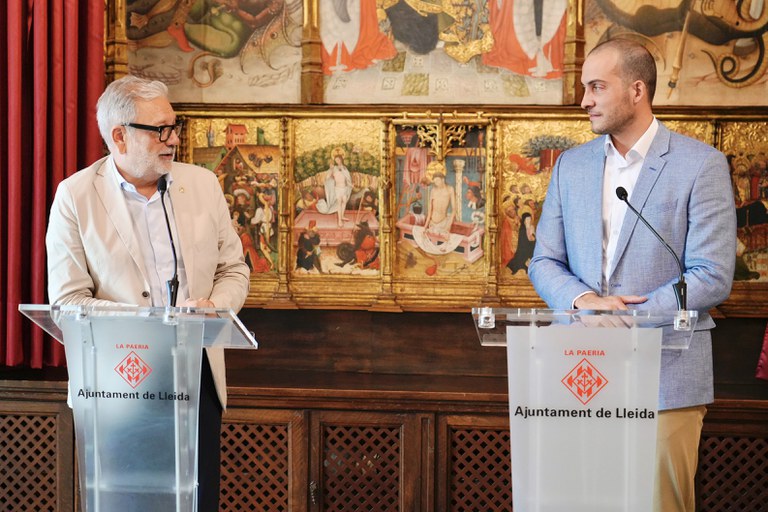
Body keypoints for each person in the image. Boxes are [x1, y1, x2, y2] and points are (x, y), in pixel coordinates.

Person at [528, 38, 736, 512]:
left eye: (597, 87)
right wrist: (584, 303)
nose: (584, 100)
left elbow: (712, 274)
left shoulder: (700, 164)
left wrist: (625, 316)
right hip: (578, 371)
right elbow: (543, 262)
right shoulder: (570, 167)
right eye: (584, 87)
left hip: (667, 373)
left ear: (637, 90)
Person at [45, 75, 250, 512]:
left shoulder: (203, 185)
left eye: (174, 127)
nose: (172, 139)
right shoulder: (75, 196)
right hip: (116, 384)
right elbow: (66, 301)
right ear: (119, 135)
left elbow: (233, 269)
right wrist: (152, 326)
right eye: (159, 130)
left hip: (194, 377)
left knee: (198, 503)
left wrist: (215, 307)